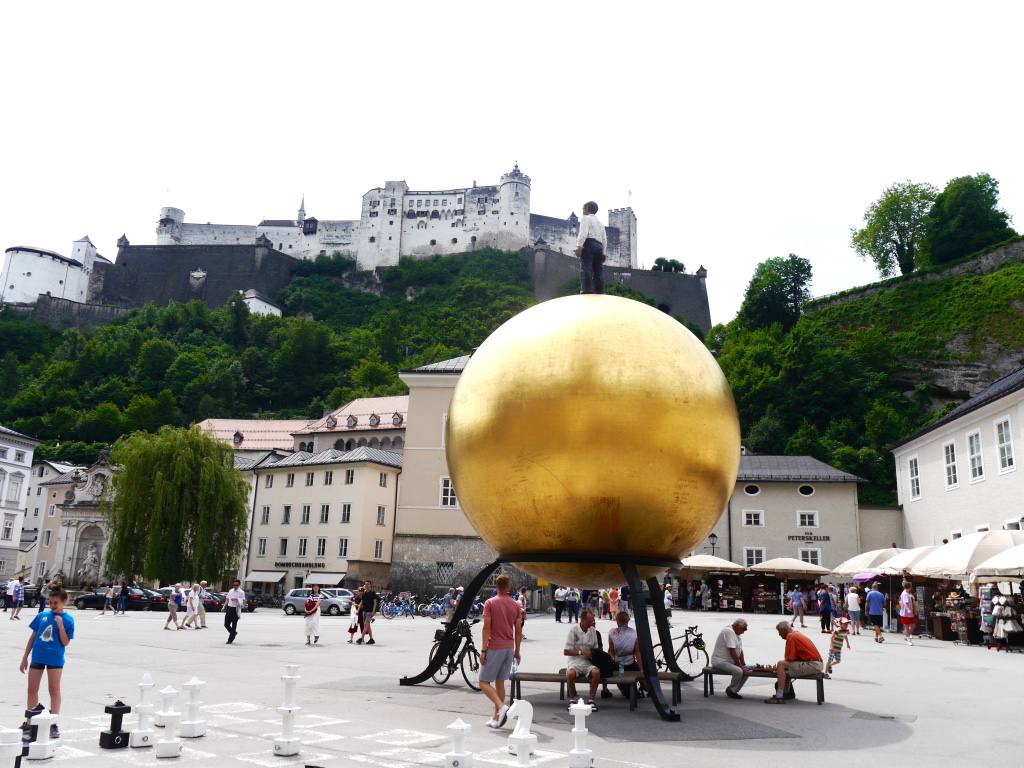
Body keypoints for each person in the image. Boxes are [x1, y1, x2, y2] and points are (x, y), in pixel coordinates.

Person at [19, 585, 74, 739]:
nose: (53, 605)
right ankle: (30, 721)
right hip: (37, 657)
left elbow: (65, 642)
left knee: (54, 690)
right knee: (32, 690)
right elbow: (33, 637)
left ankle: (53, 723)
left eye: (56, 602)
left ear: (64, 601)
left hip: (55, 659)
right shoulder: (42, 615)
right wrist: (25, 657)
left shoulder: (68, 619)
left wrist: (61, 626)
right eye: (50, 602)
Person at [479, 574, 524, 729]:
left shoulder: (490, 603)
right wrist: (517, 651)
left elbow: (486, 628)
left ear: (496, 586)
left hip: (494, 647)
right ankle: (496, 718)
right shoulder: (516, 605)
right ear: (508, 586)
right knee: (500, 683)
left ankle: (501, 706)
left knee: (483, 682)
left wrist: (483, 650)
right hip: (508, 647)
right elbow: (518, 631)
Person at [765, 622, 823, 704]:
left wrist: (779, 669)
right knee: (785, 667)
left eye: (779, 632)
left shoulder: (791, 636)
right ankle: (786, 693)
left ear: (784, 630)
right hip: (816, 664)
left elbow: (790, 658)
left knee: (780, 664)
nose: (779, 635)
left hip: (813, 664)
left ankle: (779, 696)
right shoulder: (796, 634)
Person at [564, 608, 602, 710]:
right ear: (583, 620)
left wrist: (593, 653)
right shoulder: (574, 630)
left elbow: (596, 648)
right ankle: (572, 699)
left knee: (596, 672)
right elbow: (566, 651)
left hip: (588, 662)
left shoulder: (593, 631)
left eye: (592, 621)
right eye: (590, 621)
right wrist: (581, 652)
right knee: (570, 673)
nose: (592, 623)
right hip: (575, 662)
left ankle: (591, 700)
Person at [607, 611, 646, 698]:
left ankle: (627, 691)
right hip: (631, 663)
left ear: (617, 621)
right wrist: (641, 668)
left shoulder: (612, 633)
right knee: (641, 675)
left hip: (619, 664)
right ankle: (645, 688)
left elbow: (611, 651)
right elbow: (637, 652)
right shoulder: (634, 633)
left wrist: (612, 660)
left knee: (621, 678)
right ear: (627, 621)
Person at [710, 619, 750, 699]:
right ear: (737, 626)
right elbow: (732, 650)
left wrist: (743, 664)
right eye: (744, 629)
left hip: (729, 662)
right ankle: (731, 690)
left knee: (747, 671)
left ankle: (733, 690)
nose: (744, 632)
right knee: (738, 671)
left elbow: (740, 650)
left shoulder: (736, 633)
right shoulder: (729, 631)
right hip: (720, 661)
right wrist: (740, 666)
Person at [574, 201, 607, 294]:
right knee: (598, 270)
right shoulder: (601, 224)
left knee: (586, 267)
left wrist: (579, 247)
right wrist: (604, 253)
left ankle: (586, 290)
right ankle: (599, 291)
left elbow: (583, 233)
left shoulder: (585, 218)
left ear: (588, 208)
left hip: (589, 244)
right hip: (599, 246)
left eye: (583, 208)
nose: (582, 210)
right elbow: (604, 239)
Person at [224, 579, 245, 644]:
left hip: (236, 609)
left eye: (236, 585)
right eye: (234, 585)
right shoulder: (231, 590)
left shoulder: (241, 592)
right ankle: (233, 633)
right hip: (229, 608)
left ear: (239, 585)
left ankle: (230, 639)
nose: (235, 586)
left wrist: (237, 599)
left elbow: (243, 601)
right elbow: (227, 599)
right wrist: (224, 606)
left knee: (234, 625)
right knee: (226, 624)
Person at [357, 580, 378, 645]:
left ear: (370, 585)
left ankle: (361, 638)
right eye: (365, 584)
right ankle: (371, 639)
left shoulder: (373, 593)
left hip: (369, 612)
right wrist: (358, 610)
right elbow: (361, 602)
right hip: (364, 611)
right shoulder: (364, 593)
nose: (366, 585)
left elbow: (375, 603)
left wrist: (373, 611)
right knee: (368, 626)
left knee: (365, 625)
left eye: (368, 584)